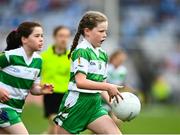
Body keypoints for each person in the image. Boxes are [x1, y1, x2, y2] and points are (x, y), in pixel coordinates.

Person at [53, 11, 123, 134]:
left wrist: (116, 107)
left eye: (106, 31)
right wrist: (108, 86)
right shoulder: (82, 51)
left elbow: (101, 86)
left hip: (94, 106)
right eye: (101, 31)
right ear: (87, 31)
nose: (105, 35)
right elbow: (80, 82)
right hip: (76, 105)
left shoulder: (103, 54)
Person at [0, 22, 53, 134]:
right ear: (24, 39)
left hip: (17, 109)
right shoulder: (10, 56)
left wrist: (41, 90)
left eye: (42, 36)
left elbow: (33, 88)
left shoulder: (38, 61)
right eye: (37, 36)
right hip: (3, 108)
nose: (41, 39)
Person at [41, 26, 71, 134]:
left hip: (66, 96)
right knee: (57, 124)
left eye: (67, 36)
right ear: (54, 37)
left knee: (59, 127)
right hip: (50, 95)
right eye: (61, 36)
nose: (64, 39)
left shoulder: (71, 57)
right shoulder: (44, 56)